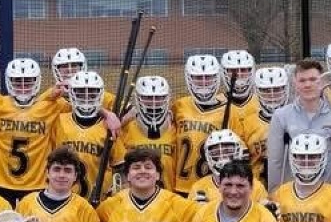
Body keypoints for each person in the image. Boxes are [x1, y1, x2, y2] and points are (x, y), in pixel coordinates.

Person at [264, 59, 331, 194]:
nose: (307, 85)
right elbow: (275, 162)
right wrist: (274, 195)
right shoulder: (281, 116)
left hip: (330, 196)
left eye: (313, 79)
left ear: (322, 82)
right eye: (302, 80)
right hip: (294, 198)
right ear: (295, 84)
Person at [0, 57, 62, 205]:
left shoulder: (51, 106)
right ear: (9, 81)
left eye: (28, 81)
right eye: (17, 81)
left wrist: (107, 114)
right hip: (2, 181)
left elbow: (80, 107)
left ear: (37, 81)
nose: (23, 86)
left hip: (37, 183)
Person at [50, 69, 122, 199]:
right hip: (63, 198)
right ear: (72, 94)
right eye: (81, 92)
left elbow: (120, 166)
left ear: (100, 94)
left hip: (100, 199)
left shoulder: (110, 126)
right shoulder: (59, 120)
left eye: (92, 93)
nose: (86, 97)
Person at [171, 54, 232, 196]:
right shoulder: (180, 105)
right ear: (189, 78)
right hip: (181, 186)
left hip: (213, 186)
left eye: (208, 77)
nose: (204, 82)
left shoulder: (229, 110)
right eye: (198, 77)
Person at [112, 74, 178, 190]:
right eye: (147, 98)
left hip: (170, 197)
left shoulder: (176, 127)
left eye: (158, 97)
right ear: (138, 98)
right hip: (135, 197)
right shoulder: (125, 128)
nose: (153, 102)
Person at [187, 129, 269, 210]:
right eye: (216, 152)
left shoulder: (256, 187)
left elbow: (266, 219)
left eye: (227, 151)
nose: (222, 158)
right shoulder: (199, 187)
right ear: (208, 156)